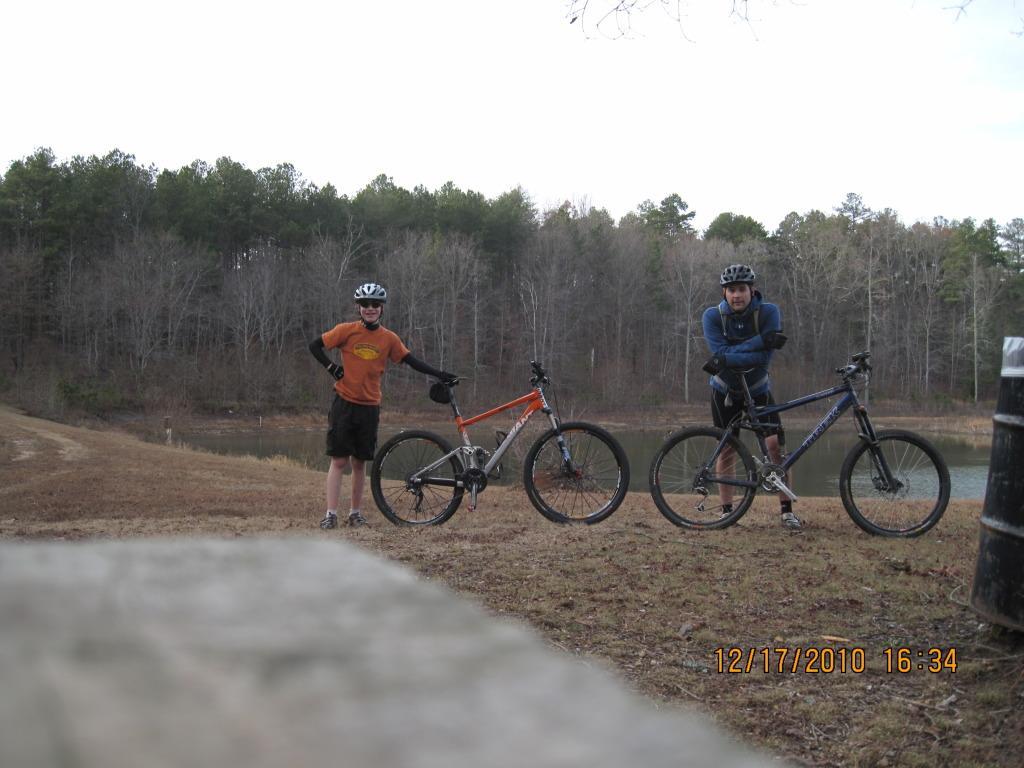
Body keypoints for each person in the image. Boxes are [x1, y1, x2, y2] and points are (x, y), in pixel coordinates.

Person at [309, 282, 456, 528]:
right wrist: (331, 367)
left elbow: (412, 361)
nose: (370, 308)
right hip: (344, 403)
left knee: (359, 463)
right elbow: (315, 346)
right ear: (358, 307)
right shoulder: (346, 331)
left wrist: (440, 374)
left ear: (381, 308)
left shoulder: (389, 339)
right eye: (365, 304)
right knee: (338, 461)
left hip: (369, 406)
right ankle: (331, 514)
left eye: (375, 304)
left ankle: (355, 513)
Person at [701, 264, 800, 530]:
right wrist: (759, 341)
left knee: (775, 448)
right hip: (724, 390)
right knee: (727, 450)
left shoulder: (769, 312)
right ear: (724, 292)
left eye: (742, 289)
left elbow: (764, 358)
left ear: (751, 290)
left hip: (758, 388)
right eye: (731, 290)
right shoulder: (712, 317)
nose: (737, 295)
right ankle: (726, 512)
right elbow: (720, 359)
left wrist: (729, 355)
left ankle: (786, 511)